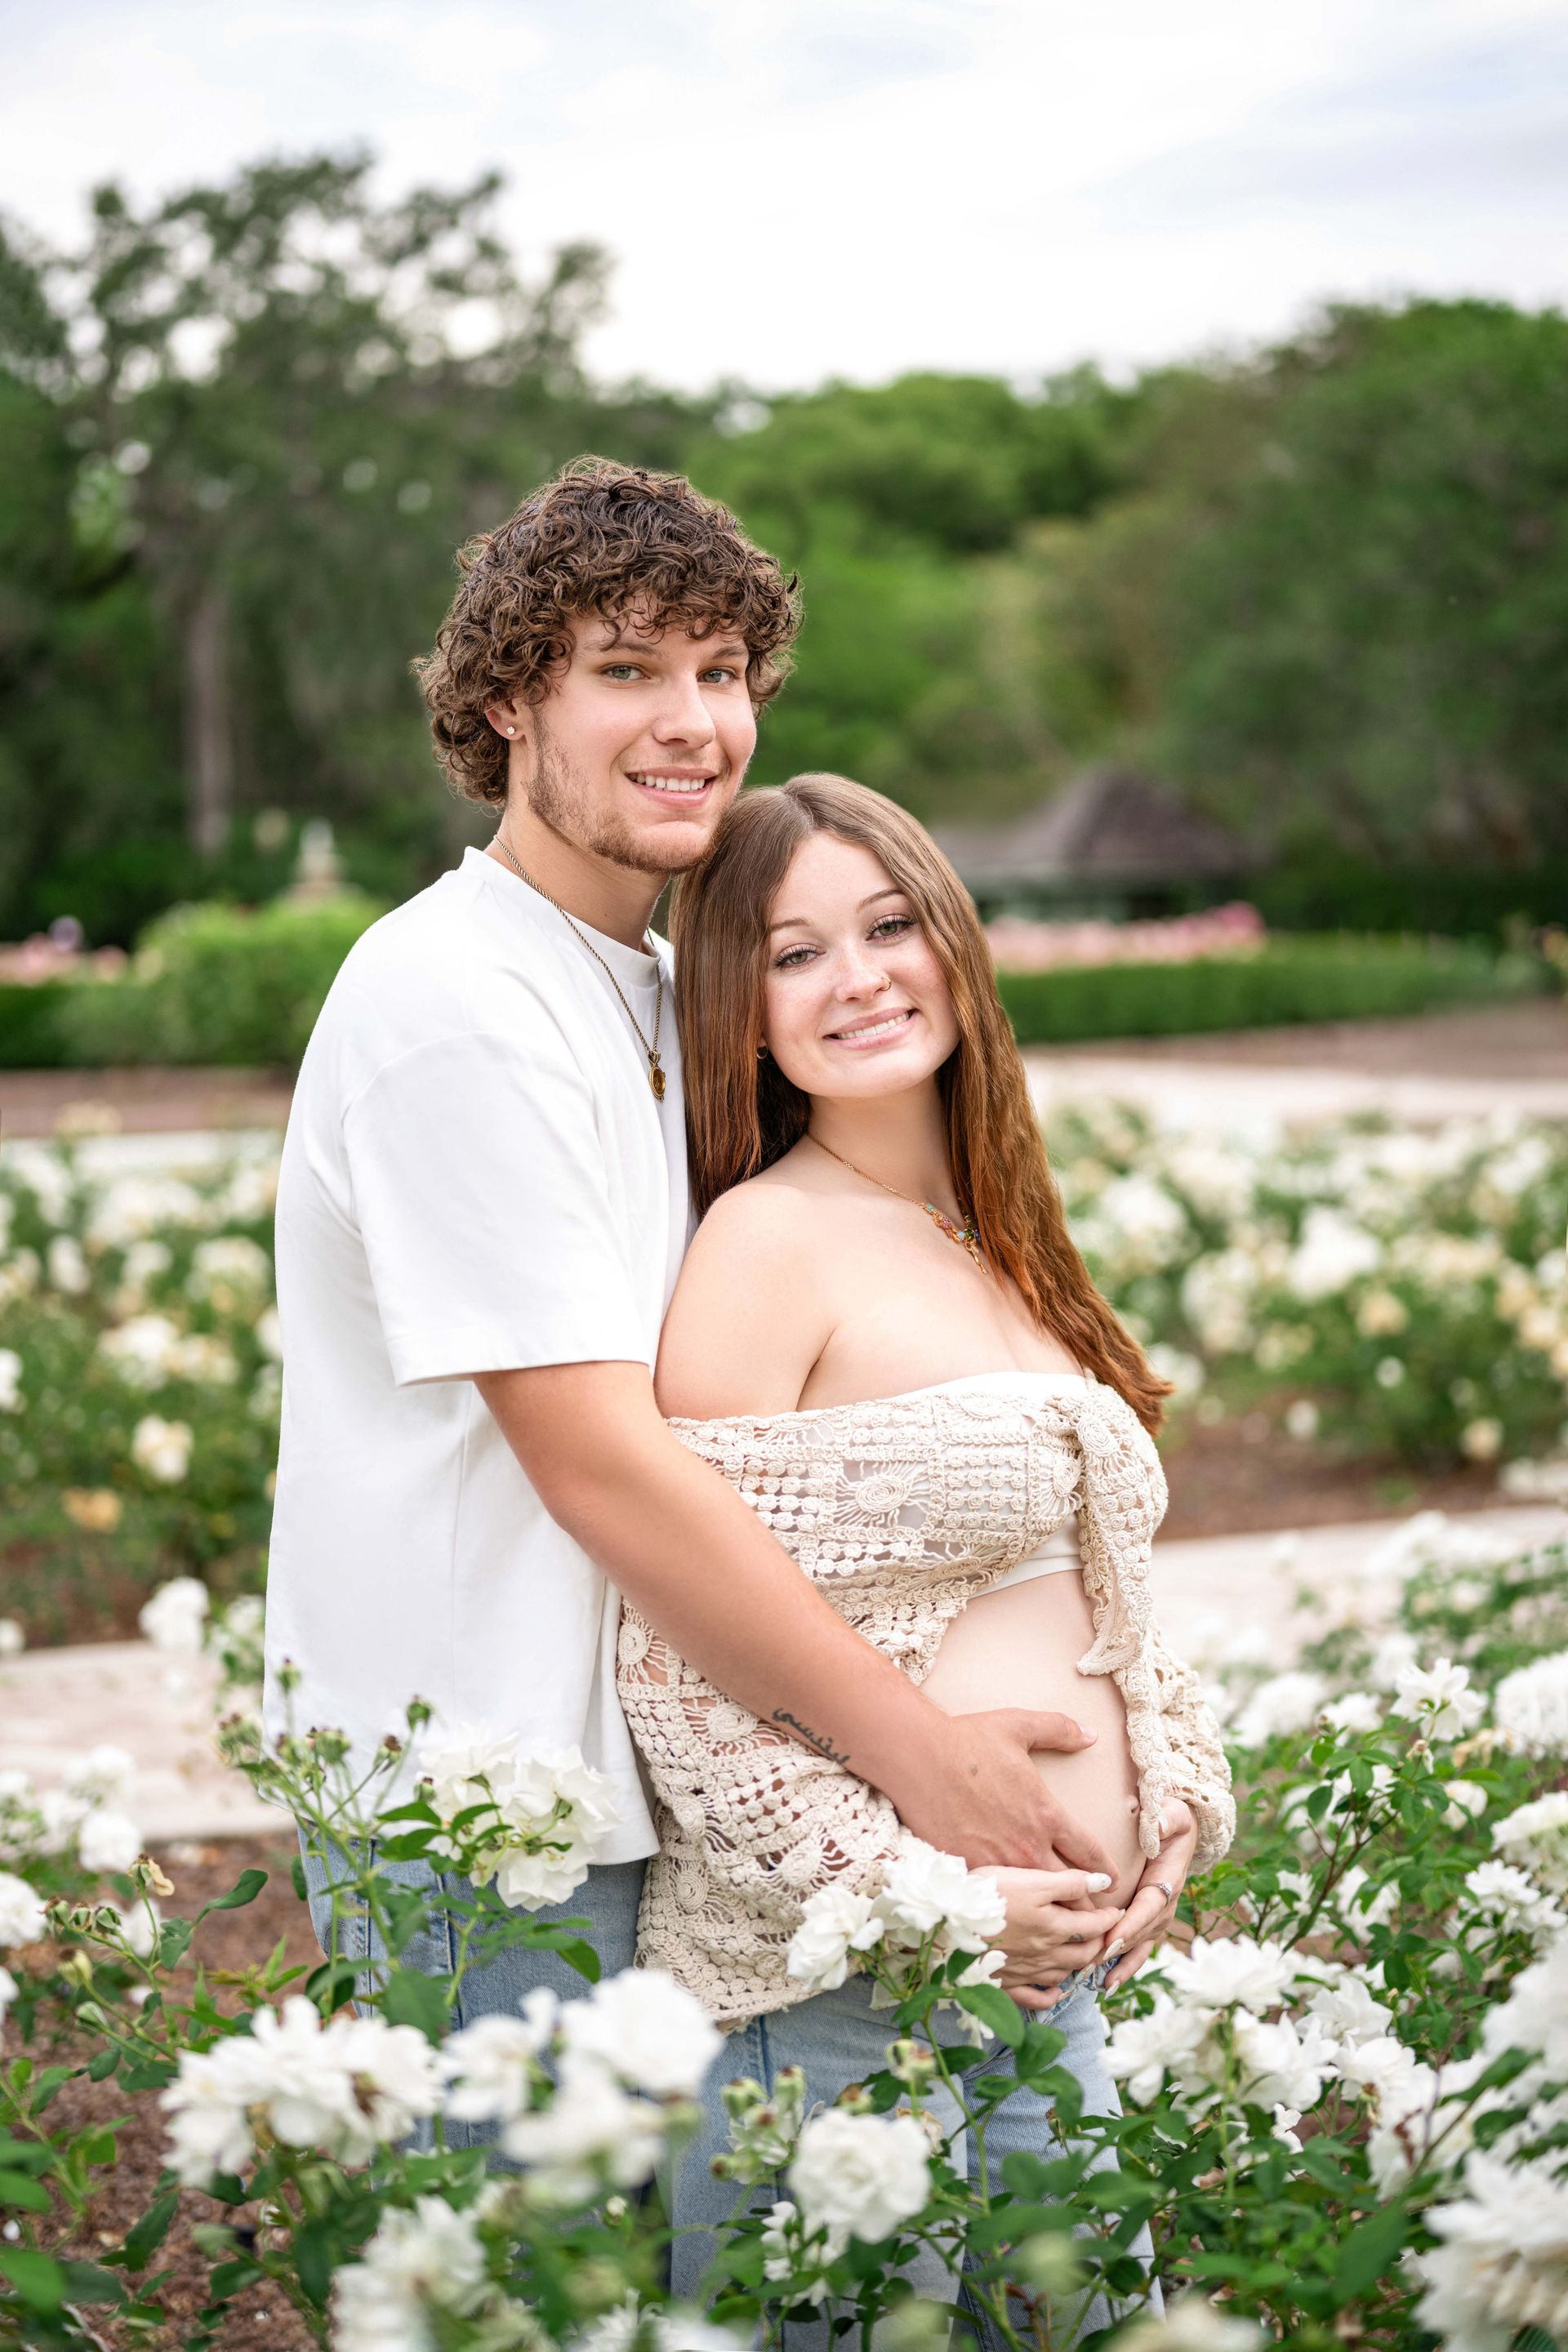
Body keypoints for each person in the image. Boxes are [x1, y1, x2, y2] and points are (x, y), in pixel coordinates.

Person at [264, 463, 1111, 2061]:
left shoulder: (662, 992)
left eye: (722, 673)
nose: (694, 721)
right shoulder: (453, 999)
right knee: (528, 2304)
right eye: (628, 669)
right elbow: (604, 1466)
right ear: (512, 701)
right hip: (489, 1823)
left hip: (664, 1782)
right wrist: (924, 1757)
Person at [617, 773, 1235, 2340]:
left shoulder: (996, 1233)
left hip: (1049, 1983)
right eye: (797, 952)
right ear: (740, 1011)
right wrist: (919, 1897)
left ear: (954, 941)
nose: (862, 977)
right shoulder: (766, 1244)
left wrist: (1173, 1802)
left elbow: (1100, 1588)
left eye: (890, 926)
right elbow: (676, 1651)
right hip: (830, 1998)